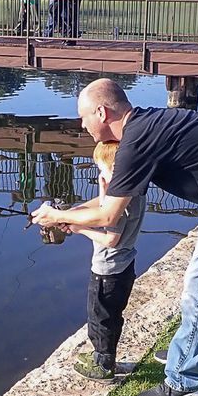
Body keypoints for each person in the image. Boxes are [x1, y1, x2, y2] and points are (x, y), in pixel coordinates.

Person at [31, 78, 198, 396]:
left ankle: (186, 380)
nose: (81, 124)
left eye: (83, 116)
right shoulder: (143, 126)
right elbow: (109, 205)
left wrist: (54, 216)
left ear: (102, 113)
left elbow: (108, 216)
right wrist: (70, 214)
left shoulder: (134, 144)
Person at [65, 140, 147, 380]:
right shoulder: (135, 191)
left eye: (103, 169)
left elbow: (111, 237)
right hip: (124, 267)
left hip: (107, 272)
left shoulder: (120, 206)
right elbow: (104, 208)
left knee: (100, 318)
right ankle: (106, 357)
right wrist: (100, 192)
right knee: (112, 316)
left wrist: (79, 229)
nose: (100, 174)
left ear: (118, 171)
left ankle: (102, 364)